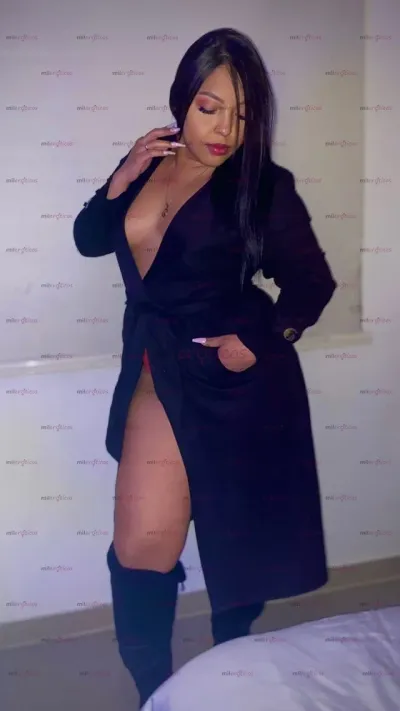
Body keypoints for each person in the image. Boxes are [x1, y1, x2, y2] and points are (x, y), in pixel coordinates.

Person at [73, 27, 337, 709]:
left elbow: (311, 283)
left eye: (243, 115)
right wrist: (119, 180)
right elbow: (89, 240)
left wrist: (261, 337)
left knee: (235, 539)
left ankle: (231, 669)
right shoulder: (147, 161)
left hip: (234, 376)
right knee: (141, 546)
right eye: (210, 107)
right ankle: (154, 692)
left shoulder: (263, 186)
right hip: (155, 364)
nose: (224, 130)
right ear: (183, 99)